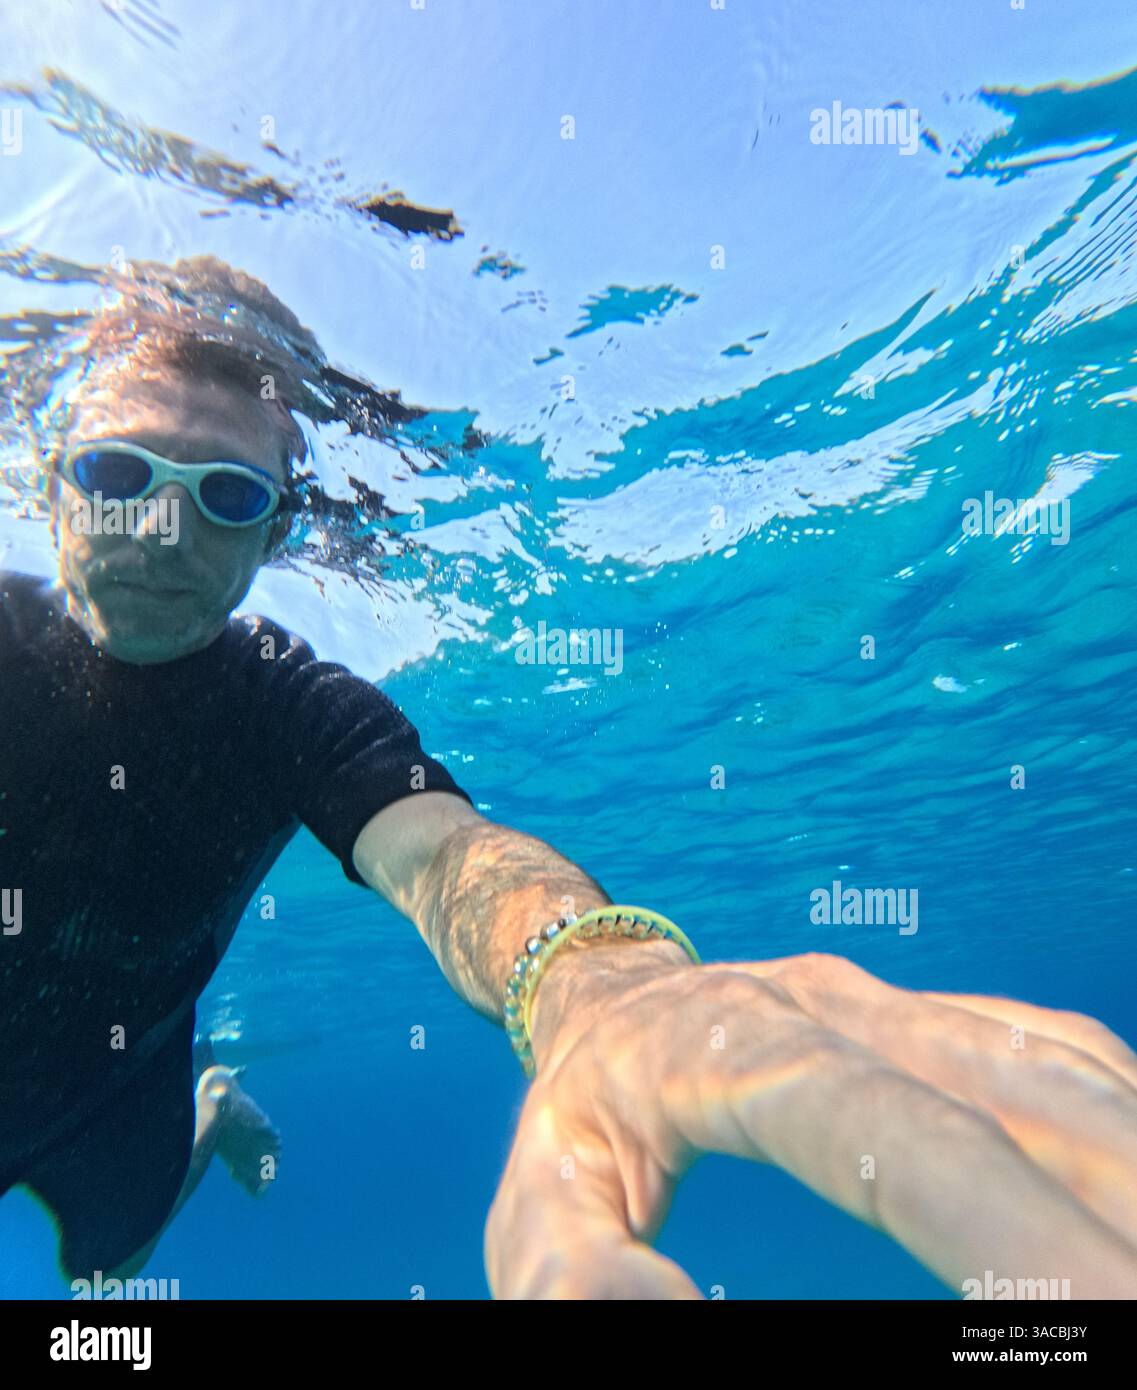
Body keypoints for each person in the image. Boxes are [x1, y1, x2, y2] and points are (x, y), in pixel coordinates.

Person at [2, 257, 1135, 1300]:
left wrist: (599, 986)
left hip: (125, 1082)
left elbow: (447, 851)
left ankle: (207, 1109)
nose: (159, 528)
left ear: (278, 533)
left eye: (228, 497)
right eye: (118, 473)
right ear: (54, 478)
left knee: (114, 1264)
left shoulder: (288, 704)